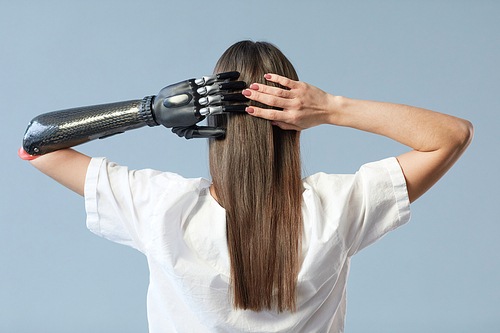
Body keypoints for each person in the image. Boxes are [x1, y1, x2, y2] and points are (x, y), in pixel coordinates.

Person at [25, 40, 473, 332]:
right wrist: (333, 107)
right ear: (295, 122)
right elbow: (452, 136)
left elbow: (37, 144)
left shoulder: (161, 206)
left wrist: (149, 110)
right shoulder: (338, 208)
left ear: (211, 122)